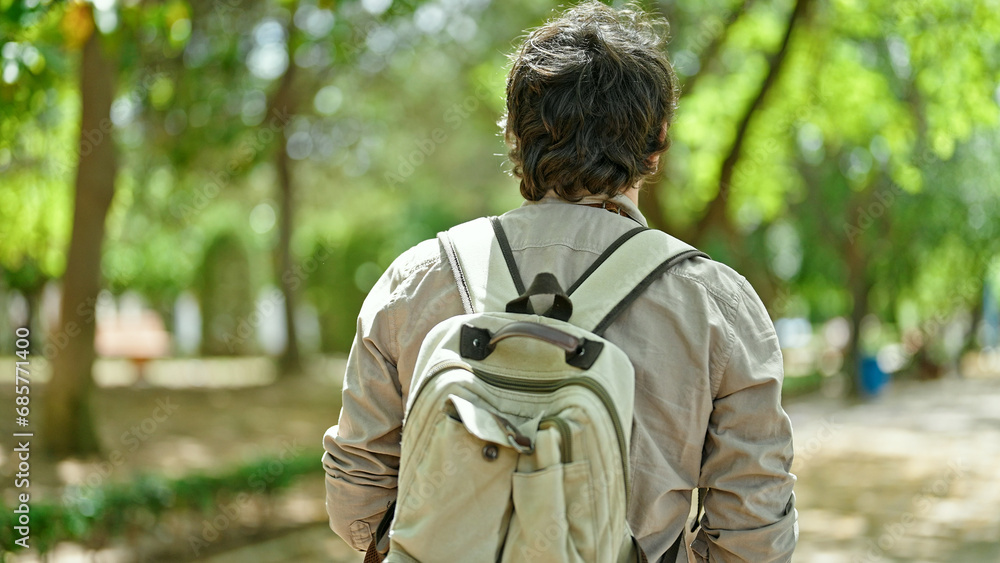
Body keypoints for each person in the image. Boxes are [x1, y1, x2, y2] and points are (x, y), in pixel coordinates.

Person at [323, 2, 798, 561]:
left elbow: (356, 502)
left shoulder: (416, 280)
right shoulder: (716, 304)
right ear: (658, 142)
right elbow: (754, 532)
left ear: (516, 139)